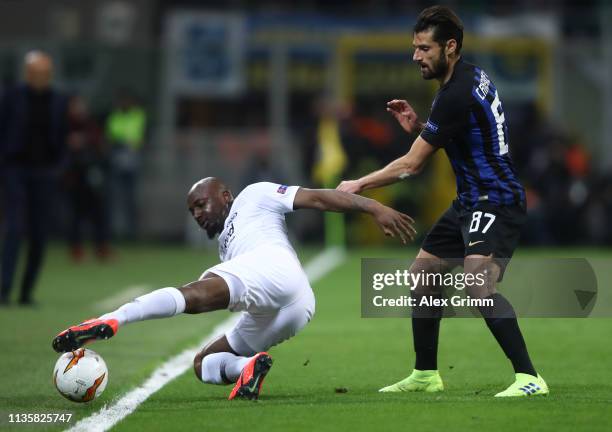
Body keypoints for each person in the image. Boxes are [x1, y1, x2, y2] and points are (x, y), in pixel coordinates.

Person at [337, 6, 548, 397]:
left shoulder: (456, 93)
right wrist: (420, 127)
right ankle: (425, 375)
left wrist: (359, 184)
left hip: (495, 199)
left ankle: (530, 378)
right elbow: (462, 133)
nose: (416, 56)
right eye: (415, 47)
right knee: (422, 278)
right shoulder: (465, 78)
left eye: (424, 48)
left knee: (478, 282)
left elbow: (412, 165)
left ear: (450, 47)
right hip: (470, 198)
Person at [52, 178, 416, 400]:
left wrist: (372, 207)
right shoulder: (226, 244)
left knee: (193, 294)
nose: (196, 214)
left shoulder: (254, 196)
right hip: (294, 308)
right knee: (203, 363)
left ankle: (113, 319)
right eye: (191, 210)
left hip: (274, 268)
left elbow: (318, 198)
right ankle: (247, 367)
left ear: (225, 195)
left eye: (201, 203)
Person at [0, 51, 67, 306]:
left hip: (45, 173)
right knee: (14, 229)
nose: (41, 77)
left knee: (39, 234)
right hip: (15, 170)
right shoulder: (12, 96)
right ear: (27, 73)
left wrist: (59, 167)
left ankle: (26, 293)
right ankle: (4, 290)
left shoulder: (59, 100)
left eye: (46, 73)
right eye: (37, 72)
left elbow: (62, 136)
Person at [63, 95, 111, 261]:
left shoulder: (91, 125)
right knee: (76, 216)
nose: (79, 109)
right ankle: (76, 249)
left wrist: (85, 141)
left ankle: (102, 248)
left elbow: (101, 145)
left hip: (92, 176)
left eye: (81, 105)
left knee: (99, 214)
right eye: (76, 106)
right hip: (74, 178)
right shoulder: (64, 125)